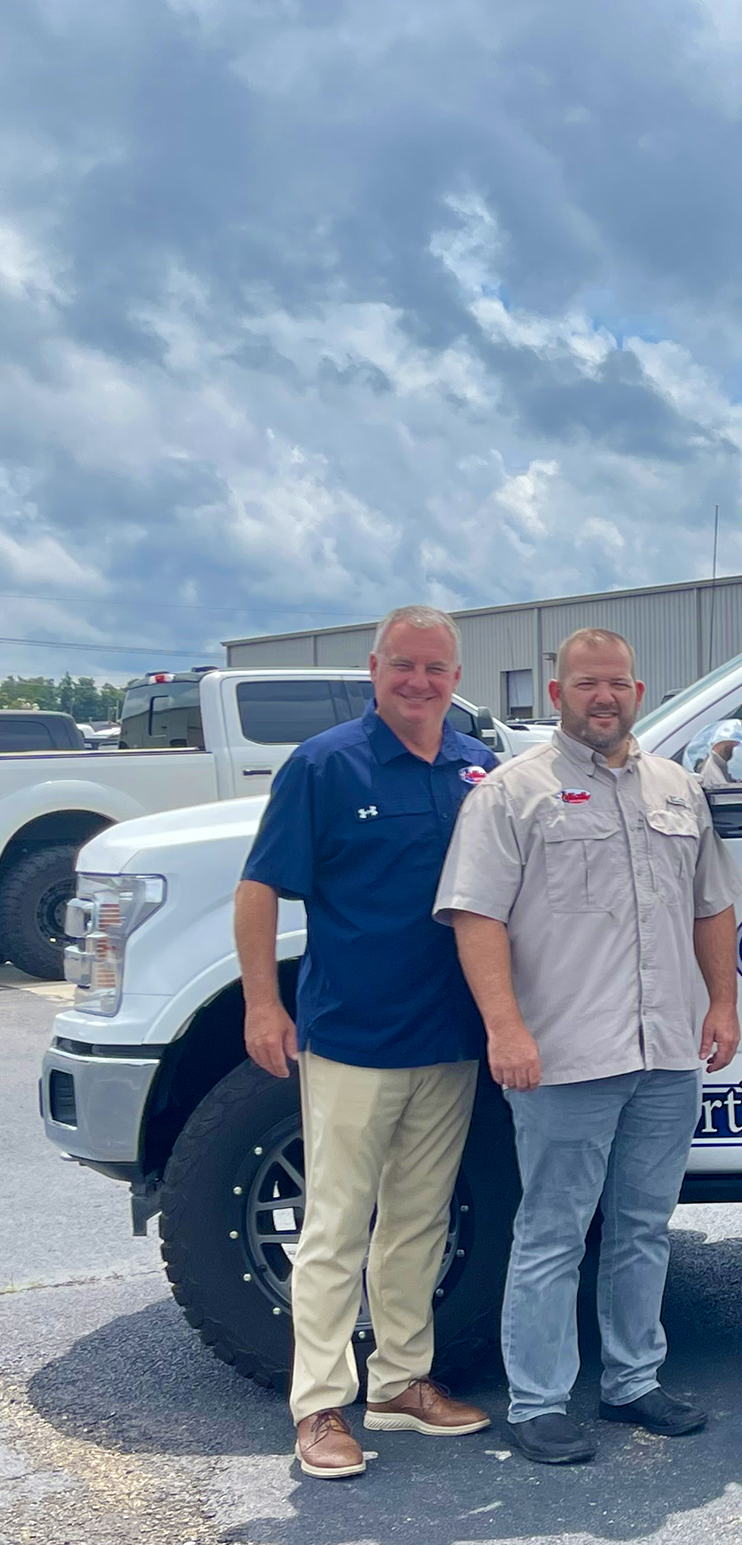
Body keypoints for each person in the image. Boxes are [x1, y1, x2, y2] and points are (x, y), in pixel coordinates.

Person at [434, 628, 742, 1466]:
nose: (601, 698)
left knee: (644, 1226)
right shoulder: (512, 793)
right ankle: (537, 1400)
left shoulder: (677, 789)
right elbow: (475, 916)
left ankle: (632, 1382)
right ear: (557, 691)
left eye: (616, 684)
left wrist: (722, 1004)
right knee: (553, 1229)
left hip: (666, 1051)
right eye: (585, 685)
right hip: (564, 1054)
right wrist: (506, 1028)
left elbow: (710, 905)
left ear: (637, 692)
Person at [235, 605, 498, 1480]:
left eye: (435, 668)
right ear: (373, 668)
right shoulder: (323, 766)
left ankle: (398, 1384)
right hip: (352, 1034)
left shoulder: (477, 771)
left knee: (419, 1222)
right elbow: (261, 887)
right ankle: (318, 1406)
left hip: (450, 1035)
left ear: (457, 678)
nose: (419, 682)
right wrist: (263, 1007)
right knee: (335, 1226)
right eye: (403, 666)